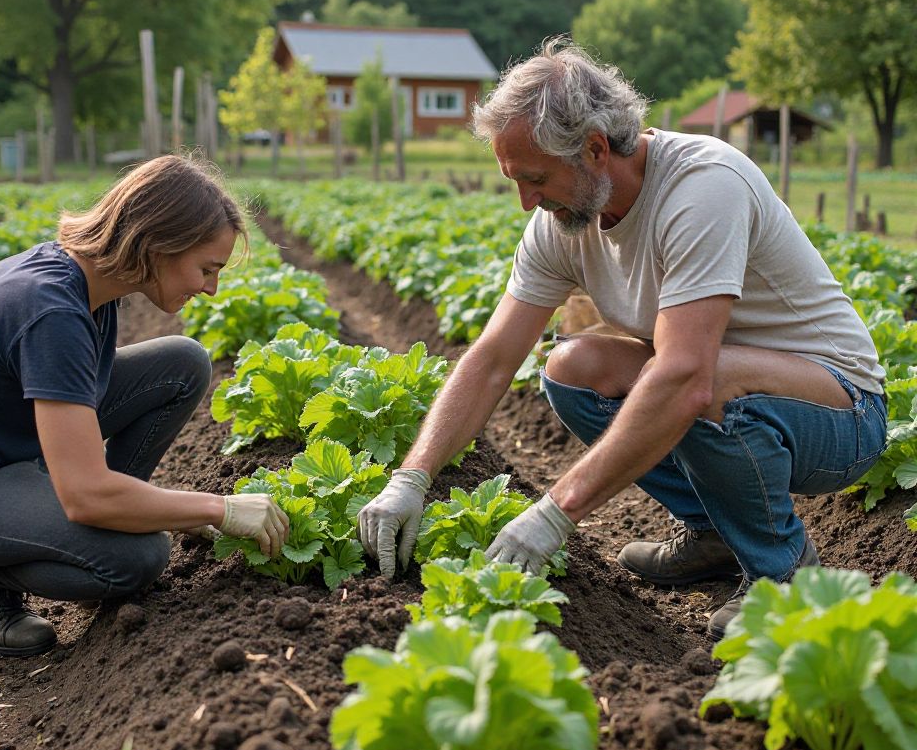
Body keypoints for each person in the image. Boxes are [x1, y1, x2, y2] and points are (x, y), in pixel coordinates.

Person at [357, 39, 887, 639]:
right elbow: (492, 358)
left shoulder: (702, 186)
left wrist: (557, 512)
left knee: (699, 380)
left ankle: (786, 576)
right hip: (728, 383)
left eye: (535, 178)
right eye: (514, 180)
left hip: (841, 410)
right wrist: (413, 476)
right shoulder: (559, 223)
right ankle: (714, 533)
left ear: (594, 149)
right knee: (573, 367)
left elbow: (686, 375)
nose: (525, 200)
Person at [0, 155, 289, 658]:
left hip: (6, 449)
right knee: (139, 558)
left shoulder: (87, 283)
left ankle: (113, 514)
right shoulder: (53, 312)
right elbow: (82, 494)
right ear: (159, 244)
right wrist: (220, 509)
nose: (210, 288)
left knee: (182, 363)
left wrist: (161, 508)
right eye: (206, 269)